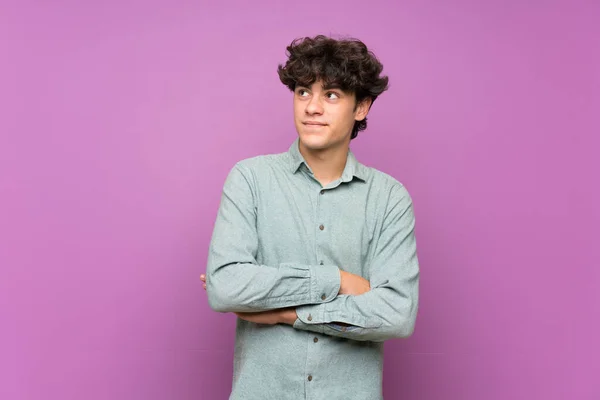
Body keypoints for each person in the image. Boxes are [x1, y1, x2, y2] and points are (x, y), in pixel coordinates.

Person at [200, 34, 420, 400]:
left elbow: (397, 313)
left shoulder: (389, 199)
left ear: (361, 107)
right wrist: (337, 280)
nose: (312, 107)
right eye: (303, 92)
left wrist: (286, 314)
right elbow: (225, 287)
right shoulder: (250, 179)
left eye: (331, 95)